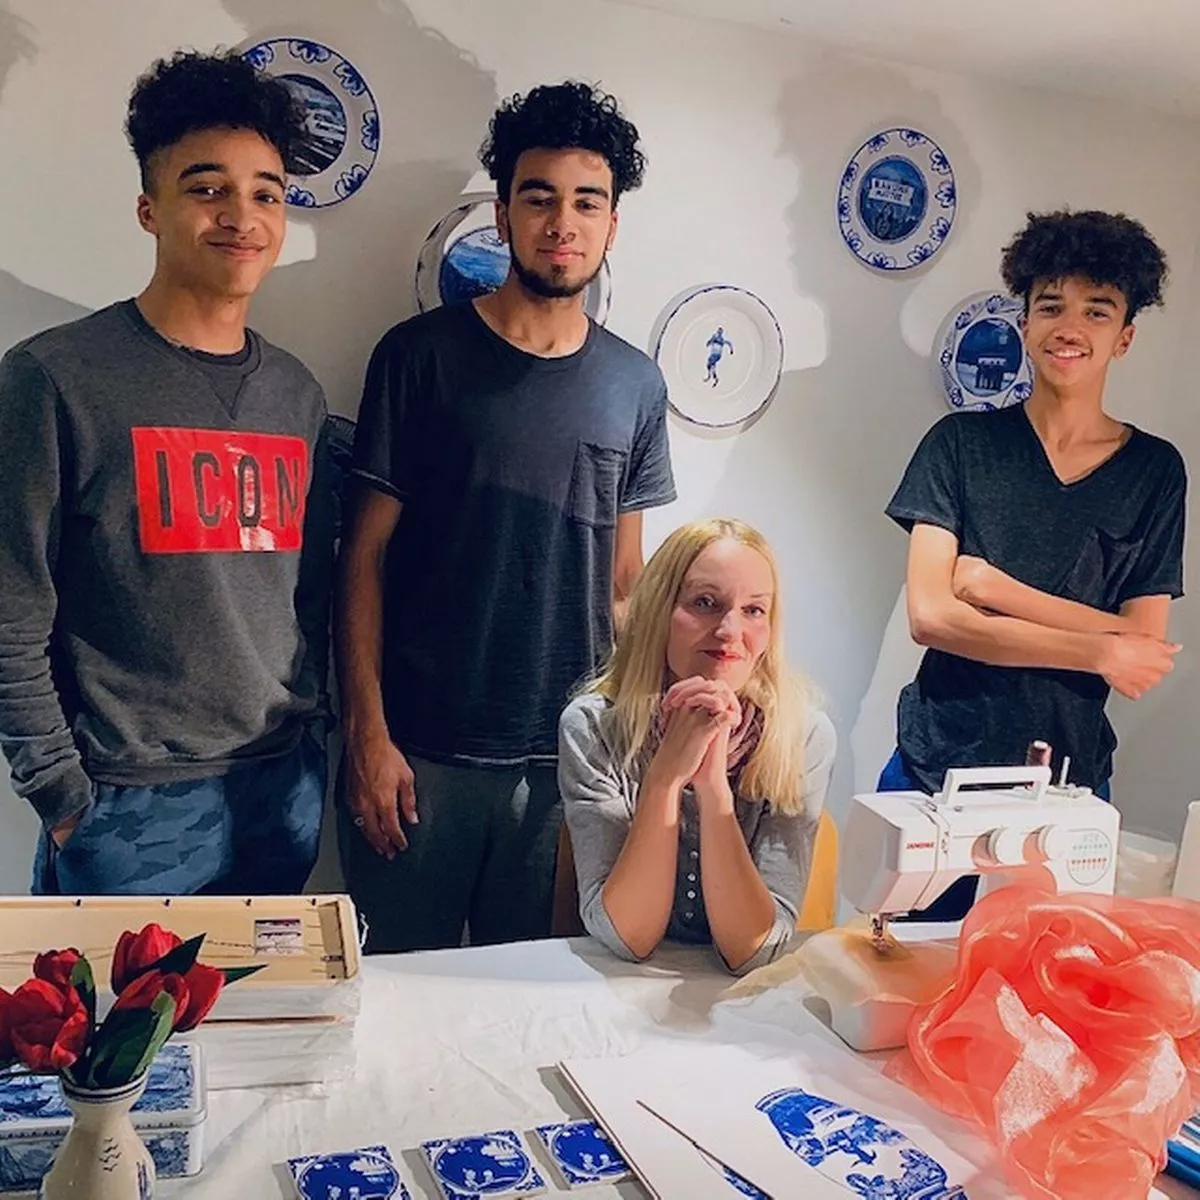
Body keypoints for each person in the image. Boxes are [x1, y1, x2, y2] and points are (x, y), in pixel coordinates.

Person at [337, 81, 674, 952]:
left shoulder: (635, 385)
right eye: (540, 197)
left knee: (534, 999)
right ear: (502, 214)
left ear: (611, 225)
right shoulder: (418, 358)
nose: (563, 223)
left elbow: (626, 586)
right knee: (397, 1000)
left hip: (566, 763)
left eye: (586, 202)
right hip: (420, 760)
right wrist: (367, 736)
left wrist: (640, 743)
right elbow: (362, 559)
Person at [0, 51, 334, 895]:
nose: (241, 216)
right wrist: (63, 797)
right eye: (207, 187)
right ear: (149, 209)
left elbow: (310, 593)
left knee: (270, 992)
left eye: (266, 193)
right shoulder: (55, 378)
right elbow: (10, 607)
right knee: (111, 996)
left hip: (278, 790)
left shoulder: (296, 393)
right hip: (127, 806)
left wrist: (311, 738)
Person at [883, 210, 1186, 915]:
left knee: (1041, 976)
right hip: (938, 773)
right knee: (900, 967)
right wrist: (1100, 647)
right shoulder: (959, 445)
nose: (1069, 327)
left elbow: (1145, 650)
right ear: (1024, 325)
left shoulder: (1155, 471)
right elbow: (931, 617)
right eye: (1051, 306)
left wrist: (993, 587)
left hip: (1069, 790)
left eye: (1097, 310)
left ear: (1125, 336)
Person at [558, 519, 836, 975]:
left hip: (737, 1000)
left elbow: (752, 950)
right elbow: (628, 937)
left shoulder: (803, 736)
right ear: (659, 610)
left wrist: (712, 787)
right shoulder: (593, 727)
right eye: (705, 603)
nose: (730, 630)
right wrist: (666, 777)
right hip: (619, 985)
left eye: (754, 610)